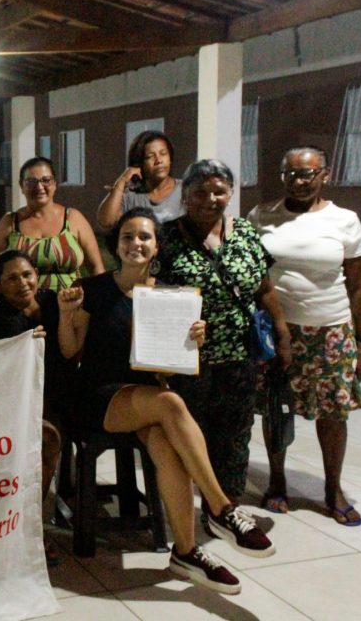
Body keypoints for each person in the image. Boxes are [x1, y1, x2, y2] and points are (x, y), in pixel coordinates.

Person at [57, 208, 276, 595]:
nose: (136, 244)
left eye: (144, 237)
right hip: (97, 397)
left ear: (157, 245)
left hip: (145, 399)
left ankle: (186, 553)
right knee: (172, 405)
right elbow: (70, 350)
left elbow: (171, 368)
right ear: (116, 244)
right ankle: (222, 508)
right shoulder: (92, 289)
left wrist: (192, 341)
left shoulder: (169, 295)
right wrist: (66, 315)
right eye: (128, 236)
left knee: (165, 443)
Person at [156, 160, 292, 515]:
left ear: (230, 193)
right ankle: (186, 512)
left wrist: (282, 331)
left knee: (235, 434)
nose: (209, 199)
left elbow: (264, 288)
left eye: (219, 191)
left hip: (240, 357)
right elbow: (148, 293)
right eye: (199, 192)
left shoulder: (245, 233)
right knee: (190, 436)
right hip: (188, 359)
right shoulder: (166, 238)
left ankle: (227, 509)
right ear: (185, 196)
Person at [247, 146, 361, 525]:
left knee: (333, 414)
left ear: (325, 175)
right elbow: (253, 273)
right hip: (277, 330)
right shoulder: (261, 215)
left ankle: (332, 490)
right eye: (292, 174)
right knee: (275, 407)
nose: (300, 182)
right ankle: (277, 481)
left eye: (308, 174)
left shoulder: (345, 220)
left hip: (330, 330)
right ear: (282, 176)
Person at [0, 249, 69, 565]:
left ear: (36, 273)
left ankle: (32, 522)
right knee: (45, 441)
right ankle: (28, 527)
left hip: (63, 394)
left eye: (26, 274)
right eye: (11, 278)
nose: (22, 283)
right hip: (24, 404)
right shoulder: (4, 324)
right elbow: (10, 383)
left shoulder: (52, 302)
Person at [0, 156, 104, 291]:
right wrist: (0, 296)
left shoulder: (74, 219)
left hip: (71, 305)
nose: (39, 187)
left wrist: (99, 301)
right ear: (21, 186)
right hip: (24, 308)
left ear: (54, 184)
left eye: (46, 180)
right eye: (31, 182)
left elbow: (95, 267)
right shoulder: (10, 223)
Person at [96, 130, 184, 231]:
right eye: (150, 156)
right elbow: (106, 222)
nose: (158, 160)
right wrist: (121, 182)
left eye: (163, 153)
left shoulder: (185, 190)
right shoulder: (131, 194)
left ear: (170, 158)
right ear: (139, 163)